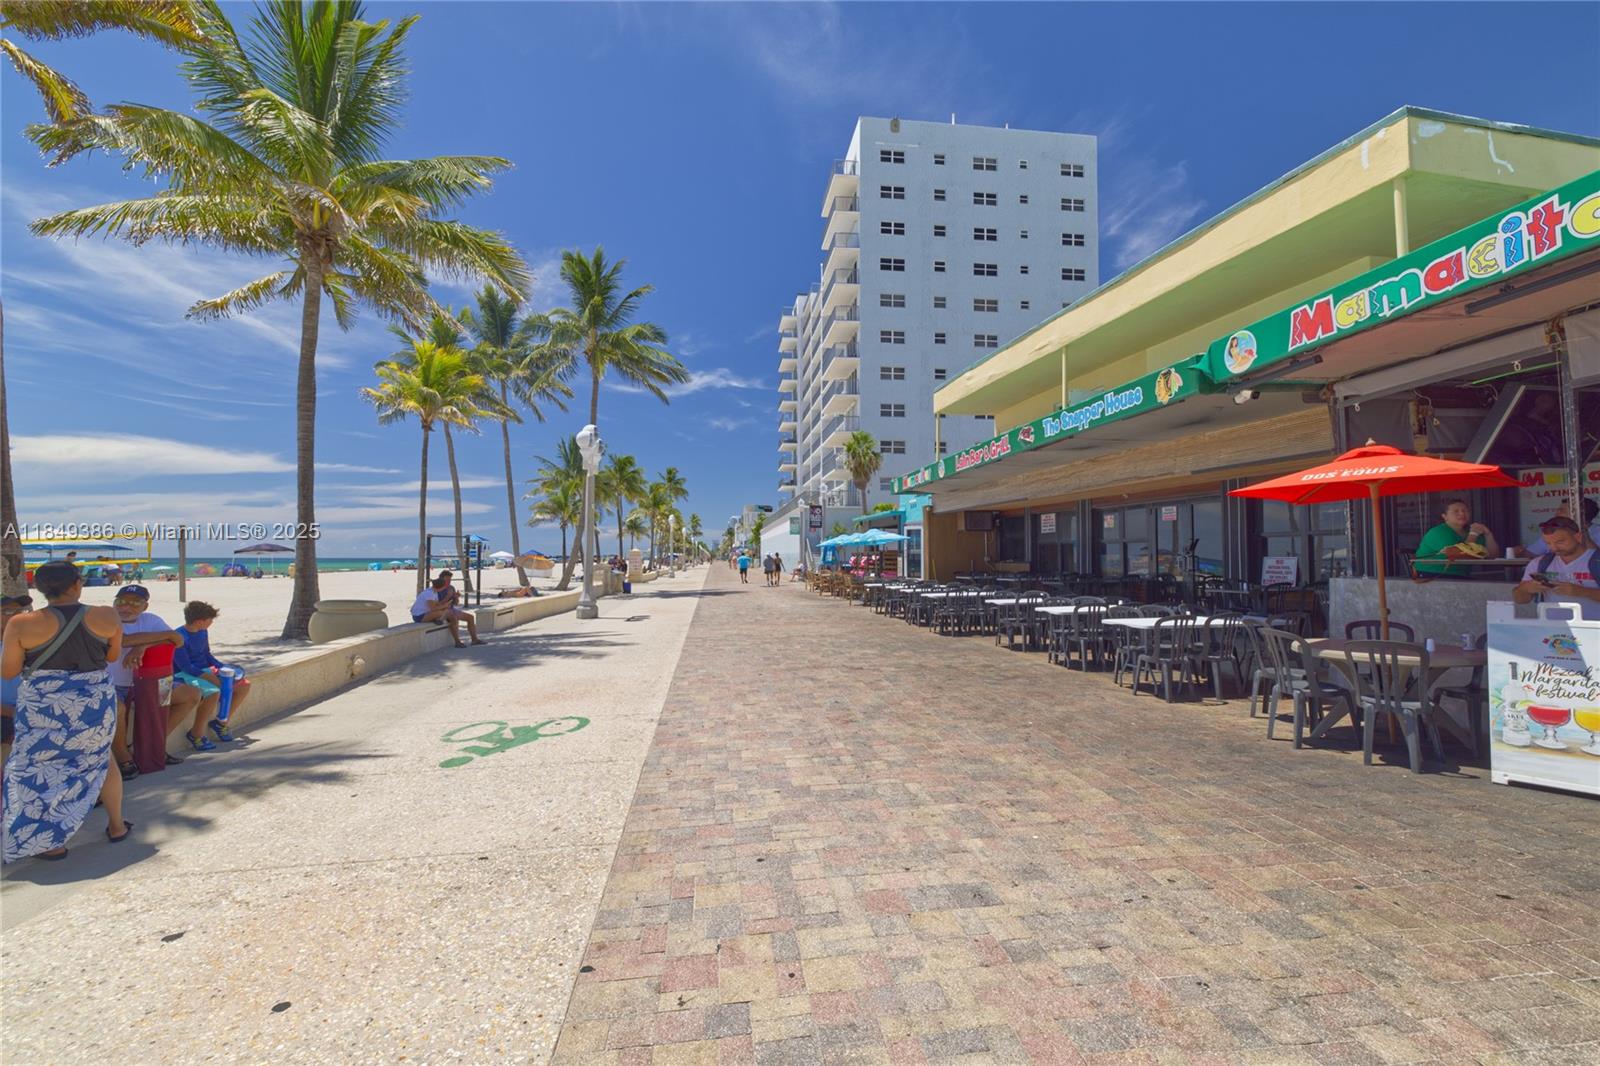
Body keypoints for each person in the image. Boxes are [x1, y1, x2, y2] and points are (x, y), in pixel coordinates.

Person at [2, 561, 130, 861]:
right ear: (76, 584)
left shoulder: (21, 623)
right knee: (100, 760)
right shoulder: (106, 615)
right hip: (94, 705)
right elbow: (112, 655)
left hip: (44, 708)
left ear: (39, 588)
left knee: (33, 769)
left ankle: (49, 842)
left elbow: (8, 671)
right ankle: (117, 826)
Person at [109, 585, 216, 756]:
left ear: (145, 606)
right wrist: (164, 636)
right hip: (116, 685)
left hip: (152, 682)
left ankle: (153, 746)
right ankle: (123, 757)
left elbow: (178, 640)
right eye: (121, 601)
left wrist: (143, 646)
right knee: (117, 709)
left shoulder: (151, 620)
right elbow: (124, 640)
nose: (126, 607)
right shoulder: (108, 619)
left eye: (135, 603)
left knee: (191, 695)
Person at [173, 601, 251, 743]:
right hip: (185, 675)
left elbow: (207, 655)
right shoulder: (179, 636)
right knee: (213, 692)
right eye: (210, 620)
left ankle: (221, 723)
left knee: (244, 685)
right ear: (199, 622)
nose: (212, 623)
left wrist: (223, 667)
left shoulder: (203, 631)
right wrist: (210, 678)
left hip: (204, 671)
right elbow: (186, 667)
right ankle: (196, 733)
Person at [1513, 515, 1600, 618]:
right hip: (1551, 626)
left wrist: (1582, 591)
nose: (1554, 548)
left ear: (1578, 537)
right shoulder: (1539, 563)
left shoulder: (1596, 560)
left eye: (1560, 542)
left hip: (1593, 626)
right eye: (1548, 543)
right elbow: (1520, 600)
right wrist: (1527, 588)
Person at [1413, 499, 1500, 576]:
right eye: (1456, 511)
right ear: (1445, 516)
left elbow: (1493, 556)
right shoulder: (1438, 532)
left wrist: (1488, 534)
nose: (1462, 513)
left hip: (1460, 576)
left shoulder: (1471, 531)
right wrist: (1473, 534)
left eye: (1465, 511)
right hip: (1430, 575)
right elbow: (1459, 555)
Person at [411, 571, 486, 647]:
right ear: (441, 579)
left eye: (450, 580)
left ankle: (474, 639)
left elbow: (455, 603)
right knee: (452, 617)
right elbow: (435, 606)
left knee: (470, 617)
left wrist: (456, 597)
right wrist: (447, 597)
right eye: (447, 580)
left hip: (448, 609)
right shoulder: (437, 589)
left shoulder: (450, 588)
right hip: (440, 611)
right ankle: (457, 641)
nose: (449, 582)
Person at [1, 593, 33, 769]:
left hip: (30, 712)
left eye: (19, 611)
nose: (16, 616)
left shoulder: (33, 644)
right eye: (7, 611)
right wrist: (14, 713)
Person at [1518, 497, 1600, 557]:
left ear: (1579, 514)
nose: (1556, 513)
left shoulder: (1597, 532)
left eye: (1561, 510)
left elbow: (1596, 558)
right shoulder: (1553, 532)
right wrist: (1517, 552)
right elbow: (1529, 554)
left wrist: (1583, 532)